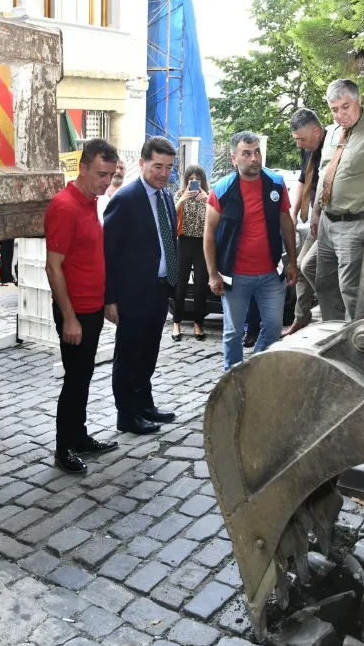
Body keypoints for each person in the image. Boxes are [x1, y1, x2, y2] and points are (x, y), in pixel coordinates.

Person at [44, 138, 121, 474]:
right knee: (75, 379)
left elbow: (91, 257)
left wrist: (106, 300)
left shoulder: (89, 201)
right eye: (102, 174)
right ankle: (64, 449)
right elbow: (53, 266)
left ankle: (80, 437)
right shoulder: (64, 206)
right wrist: (69, 318)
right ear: (84, 167)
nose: (107, 182)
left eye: (112, 175)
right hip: (75, 313)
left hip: (92, 308)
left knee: (84, 376)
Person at [103, 137, 180, 435]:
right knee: (128, 355)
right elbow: (108, 252)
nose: (163, 173)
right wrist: (109, 298)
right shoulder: (125, 199)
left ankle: (145, 404)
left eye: (169, 167)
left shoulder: (166, 196)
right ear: (142, 163)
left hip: (160, 289)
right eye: (158, 166)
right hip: (133, 293)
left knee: (148, 352)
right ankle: (126, 415)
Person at [204, 131, 299, 371]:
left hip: (270, 273)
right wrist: (212, 273)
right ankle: (232, 378)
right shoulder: (222, 189)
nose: (254, 158)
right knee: (234, 332)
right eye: (247, 154)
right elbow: (209, 233)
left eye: (257, 152)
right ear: (234, 158)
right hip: (235, 275)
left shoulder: (275, 183)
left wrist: (292, 262)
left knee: (274, 326)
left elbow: (286, 222)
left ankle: (254, 371)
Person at [311, 79, 364, 322]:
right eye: (334, 109)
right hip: (327, 221)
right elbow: (324, 174)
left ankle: (361, 343)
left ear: (359, 101)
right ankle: (333, 336)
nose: (340, 114)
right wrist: (316, 213)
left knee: (351, 290)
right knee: (324, 286)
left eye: (345, 106)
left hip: (357, 223)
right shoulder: (332, 133)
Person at [283, 108, 327, 337]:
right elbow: (302, 180)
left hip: (331, 222)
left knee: (310, 265)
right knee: (299, 265)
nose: (298, 145)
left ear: (317, 132)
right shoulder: (307, 149)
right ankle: (301, 319)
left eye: (301, 139)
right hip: (314, 223)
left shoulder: (332, 146)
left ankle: (330, 316)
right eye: (296, 139)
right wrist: (291, 213)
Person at [172, 164, 211, 342]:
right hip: (184, 242)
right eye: (191, 180)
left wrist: (208, 200)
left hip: (203, 244)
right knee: (180, 285)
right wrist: (182, 200)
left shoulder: (209, 197)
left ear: (203, 181)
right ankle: (177, 322)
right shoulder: (180, 195)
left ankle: (198, 323)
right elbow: (170, 216)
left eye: (197, 179)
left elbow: (219, 218)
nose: (194, 182)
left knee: (200, 286)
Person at [97, 158, 126, 222]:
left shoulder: (129, 192)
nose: (118, 171)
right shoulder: (99, 190)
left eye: (121, 168)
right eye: (116, 168)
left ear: (125, 171)